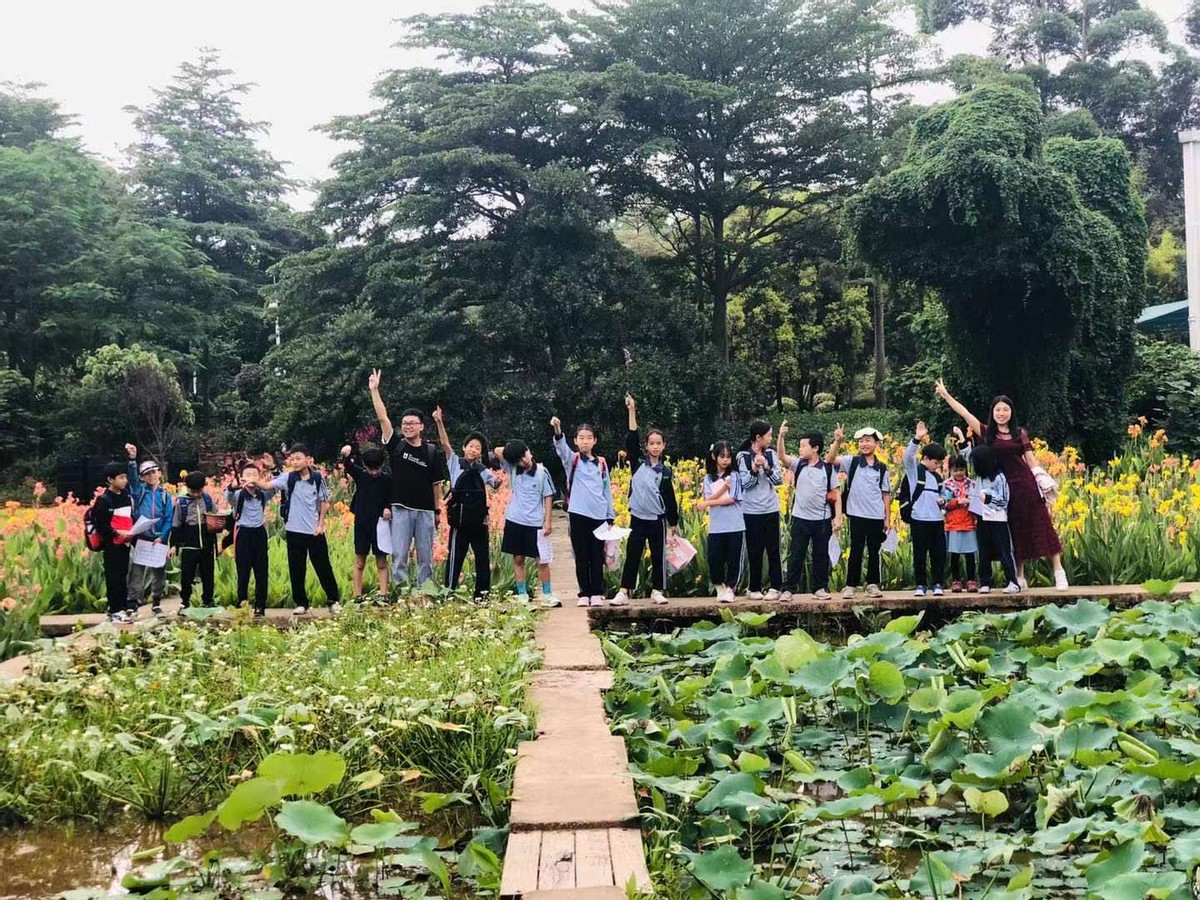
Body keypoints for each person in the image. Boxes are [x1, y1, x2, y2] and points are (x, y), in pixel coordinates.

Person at [934, 380, 1068, 590]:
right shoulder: (986, 432)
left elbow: (1031, 461)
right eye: (998, 409)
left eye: (1006, 409)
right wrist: (946, 395)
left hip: (1026, 485)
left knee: (1043, 525)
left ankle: (1059, 571)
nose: (1002, 413)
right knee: (1014, 532)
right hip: (1002, 488)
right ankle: (1019, 576)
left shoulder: (1020, 433)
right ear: (993, 412)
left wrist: (1043, 481)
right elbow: (965, 413)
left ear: (1011, 413)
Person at [368, 369, 448, 588]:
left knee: (425, 558)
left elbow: (436, 485)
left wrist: (437, 511)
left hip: (425, 512)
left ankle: (426, 592)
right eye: (405, 423)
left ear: (421, 426)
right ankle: (402, 594)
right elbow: (383, 418)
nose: (407, 426)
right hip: (401, 509)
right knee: (400, 557)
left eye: (412, 423)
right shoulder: (397, 446)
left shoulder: (431, 452)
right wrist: (375, 391)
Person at [613, 394, 679, 607]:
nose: (655, 447)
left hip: (657, 519)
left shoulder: (666, 471)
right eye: (651, 443)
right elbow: (632, 437)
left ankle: (657, 590)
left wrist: (674, 523)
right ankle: (624, 591)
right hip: (638, 517)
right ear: (646, 446)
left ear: (664, 446)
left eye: (659, 443)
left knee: (659, 556)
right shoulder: (638, 463)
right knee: (633, 554)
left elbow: (670, 498)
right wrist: (632, 410)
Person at [258, 444, 340, 614]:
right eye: (292, 459)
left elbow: (324, 502)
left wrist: (320, 523)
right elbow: (267, 486)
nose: (295, 462)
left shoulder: (317, 478)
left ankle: (333, 600)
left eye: (298, 458)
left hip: (314, 531)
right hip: (294, 530)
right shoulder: (288, 478)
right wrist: (253, 479)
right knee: (296, 568)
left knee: (323, 566)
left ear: (308, 460)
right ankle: (301, 603)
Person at [433, 407, 499, 599]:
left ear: (480, 453)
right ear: (464, 447)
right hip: (459, 521)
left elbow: (496, 484)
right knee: (455, 558)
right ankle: (449, 592)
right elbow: (444, 443)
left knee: (482, 559)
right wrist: (439, 422)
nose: (473, 449)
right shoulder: (455, 462)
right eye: (470, 446)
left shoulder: (482, 469)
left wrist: (496, 464)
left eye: (477, 448)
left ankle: (482, 596)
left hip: (479, 522)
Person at [551, 415, 615, 607]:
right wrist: (557, 430)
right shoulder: (573, 460)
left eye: (589, 437)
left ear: (595, 440)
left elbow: (607, 490)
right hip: (578, 514)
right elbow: (561, 450)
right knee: (581, 555)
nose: (585, 441)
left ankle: (597, 592)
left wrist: (610, 515)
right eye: (581, 437)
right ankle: (584, 593)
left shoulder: (602, 463)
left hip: (599, 515)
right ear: (575, 441)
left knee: (597, 556)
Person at [776, 423, 842, 601]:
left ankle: (820, 588)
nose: (800, 449)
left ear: (815, 448)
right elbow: (781, 456)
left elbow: (836, 493)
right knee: (796, 553)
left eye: (803, 445)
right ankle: (788, 589)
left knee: (821, 555)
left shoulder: (827, 468)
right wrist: (781, 436)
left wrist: (838, 517)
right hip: (800, 518)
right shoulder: (799, 465)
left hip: (822, 519)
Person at [826, 426, 891, 599]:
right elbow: (830, 459)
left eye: (868, 440)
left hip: (876, 515)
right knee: (855, 550)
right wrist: (838, 440)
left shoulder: (882, 468)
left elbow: (886, 495)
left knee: (874, 551)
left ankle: (872, 585)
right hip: (856, 515)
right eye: (861, 441)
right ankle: (850, 586)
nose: (864, 444)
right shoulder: (852, 462)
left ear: (876, 444)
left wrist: (887, 518)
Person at [493, 439, 559, 607]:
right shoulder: (513, 469)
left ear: (529, 450)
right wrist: (513, 455)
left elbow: (548, 496)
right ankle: (522, 594)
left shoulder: (542, 472)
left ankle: (547, 594)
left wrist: (548, 521)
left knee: (542, 560)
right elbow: (497, 450)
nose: (525, 460)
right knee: (518, 559)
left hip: (535, 522)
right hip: (515, 520)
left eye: (525, 455)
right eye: (520, 459)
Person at [124, 444, 175, 616]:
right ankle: (133, 602)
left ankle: (156, 601)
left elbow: (169, 518)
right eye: (147, 474)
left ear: (160, 473)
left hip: (158, 539)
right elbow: (131, 479)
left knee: (158, 573)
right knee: (137, 571)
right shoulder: (139, 492)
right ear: (143, 478)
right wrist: (132, 459)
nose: (152, 476)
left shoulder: (165, 495)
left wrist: (163, 536)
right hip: (142, 537)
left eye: (154, 472)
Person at [737, 420, 784, 601]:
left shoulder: (771, 454)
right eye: (769, 435)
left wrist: (766, 466)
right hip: (750, 511)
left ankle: (775, 587)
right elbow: (745, 484)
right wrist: (755, 469)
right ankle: (753, 587)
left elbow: (779, 481)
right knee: (754, 550)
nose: (771, 438)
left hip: (771, 509)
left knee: (773, 550)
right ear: (758, 437)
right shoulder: (743, 456)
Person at [340, 444, 394, 600]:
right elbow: (348, 465)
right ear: (365, 466)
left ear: (382, 465)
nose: (374, 472)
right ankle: (357, 595)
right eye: (371, 469)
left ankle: (383, 594)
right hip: (362, 524)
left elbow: (392, 497)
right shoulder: (361, 476)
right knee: (359, 562)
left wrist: (388, 507)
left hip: (380, 525)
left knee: (382, 562)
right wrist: (346, 454)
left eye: (377, 469)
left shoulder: (387, 479)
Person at [966, 443, 1021, 594]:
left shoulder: (999, 477)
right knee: (983, 551)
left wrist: (988, 498)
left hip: (997, 518)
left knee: (1004, 551)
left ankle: (1013, 582)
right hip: (981, 517)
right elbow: (966, 454)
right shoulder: (980, 477)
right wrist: (962, 438)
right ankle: (984, 582)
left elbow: (1004, 499)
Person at [903, 422, 948, 597]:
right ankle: (920, 584)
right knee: (920, 554)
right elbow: (908, 457)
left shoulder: (937, 477)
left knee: (938, 554)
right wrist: (917, 438)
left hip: (936, 520)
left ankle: (938, 583)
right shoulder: (916, 472)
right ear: (927, 458)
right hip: (919, 519)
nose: (937, 466)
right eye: (936, 462)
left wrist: (943, 501)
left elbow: (944, 497)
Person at [698, 441, 744, 604]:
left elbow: (732, 499)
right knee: (714, 558)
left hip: (735, 524)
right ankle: (719, 586)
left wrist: (708, 502)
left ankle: (731, 588)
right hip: (716, 526)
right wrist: (722, 489)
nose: (725, 460)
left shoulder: (735, 476)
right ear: (714, 457)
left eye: (728, 457)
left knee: (733, 558)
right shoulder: (708, 478)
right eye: (722, 456)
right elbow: (707, 498)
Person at [226, 461, 274, 616]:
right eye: (248, 475)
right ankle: (242, 603)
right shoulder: (239, 495)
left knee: (261, 570)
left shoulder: (263, 494)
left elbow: (275, 487)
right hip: (243, 534)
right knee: (243, 571)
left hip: (259, 533)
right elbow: (229, 496)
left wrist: (270, 469)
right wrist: (232, 486)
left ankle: (260, 605)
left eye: (255, 475)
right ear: (242, 478)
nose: (251, 478)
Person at [171, 471, 219, 609]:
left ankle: (208, 600)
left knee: (208, 574)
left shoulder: (207, 499)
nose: (197, 494)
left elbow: (215, 515)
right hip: (189, 545)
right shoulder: (182, 503)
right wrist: (174, 544)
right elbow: (176, 524)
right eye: (193, 491)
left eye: (199, 491)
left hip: (207, 543)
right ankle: (185, 601)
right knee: (187, 575)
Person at [93, 462, 134, 623]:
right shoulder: (104, 500)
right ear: (110, 480)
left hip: (125, 543)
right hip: (113, 544)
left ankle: (123, 608)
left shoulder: (125, 496)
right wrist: (117, 533)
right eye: (121, 477)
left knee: (123, 576)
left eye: (125, 477)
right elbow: (101, 525)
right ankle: (115, 610)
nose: (125, 481)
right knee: (114, 577)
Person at [942, 455, 978, 592]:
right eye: (955, 470)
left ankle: (971, 580)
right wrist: (957, 502)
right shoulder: (947, 485)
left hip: (969, 523)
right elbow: (944, 504)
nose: (959, 473)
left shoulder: (972, 484)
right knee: (955, 554)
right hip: (953, 523)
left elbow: (977, 500)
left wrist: (970, 502)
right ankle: (956, 580)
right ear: (950, 470)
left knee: (970, 554)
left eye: (961, 469)